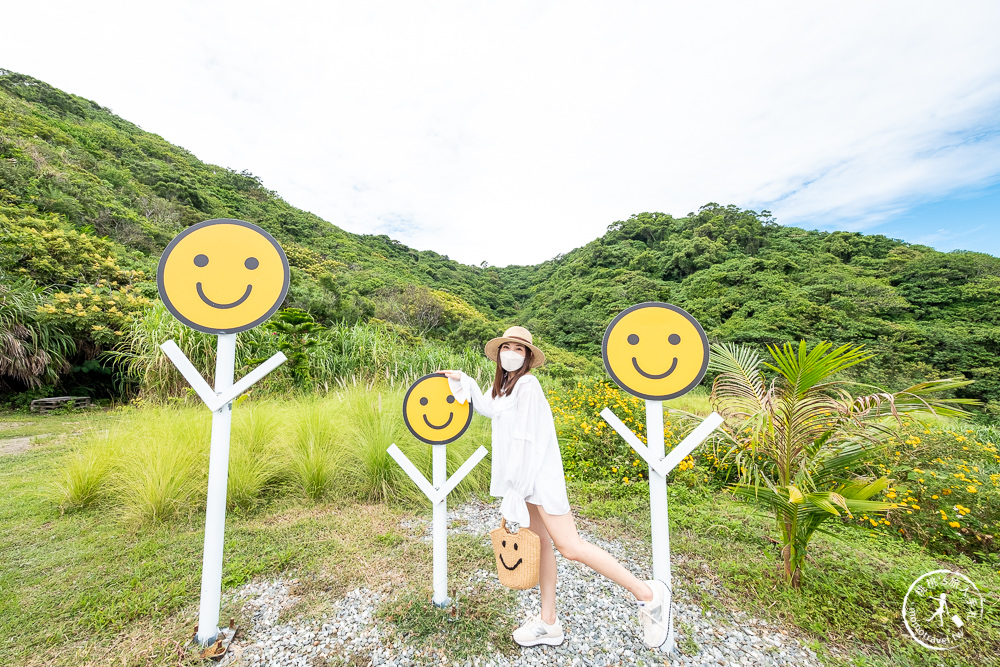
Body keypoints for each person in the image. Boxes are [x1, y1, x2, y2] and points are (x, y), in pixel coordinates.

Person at [439, 325, 669, 649]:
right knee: (543, 545)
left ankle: (648, 595)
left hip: (538, 481)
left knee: (570, 547)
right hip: (526, 484)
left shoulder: (529, 386)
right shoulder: (505, 389)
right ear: (500, 352)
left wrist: (516, 490)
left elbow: (527, 442)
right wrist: (464, 381)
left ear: (529, 357)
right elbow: (489, 407)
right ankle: (549, 623)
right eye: (508, 348)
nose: (512, 354)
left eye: (520, 350)